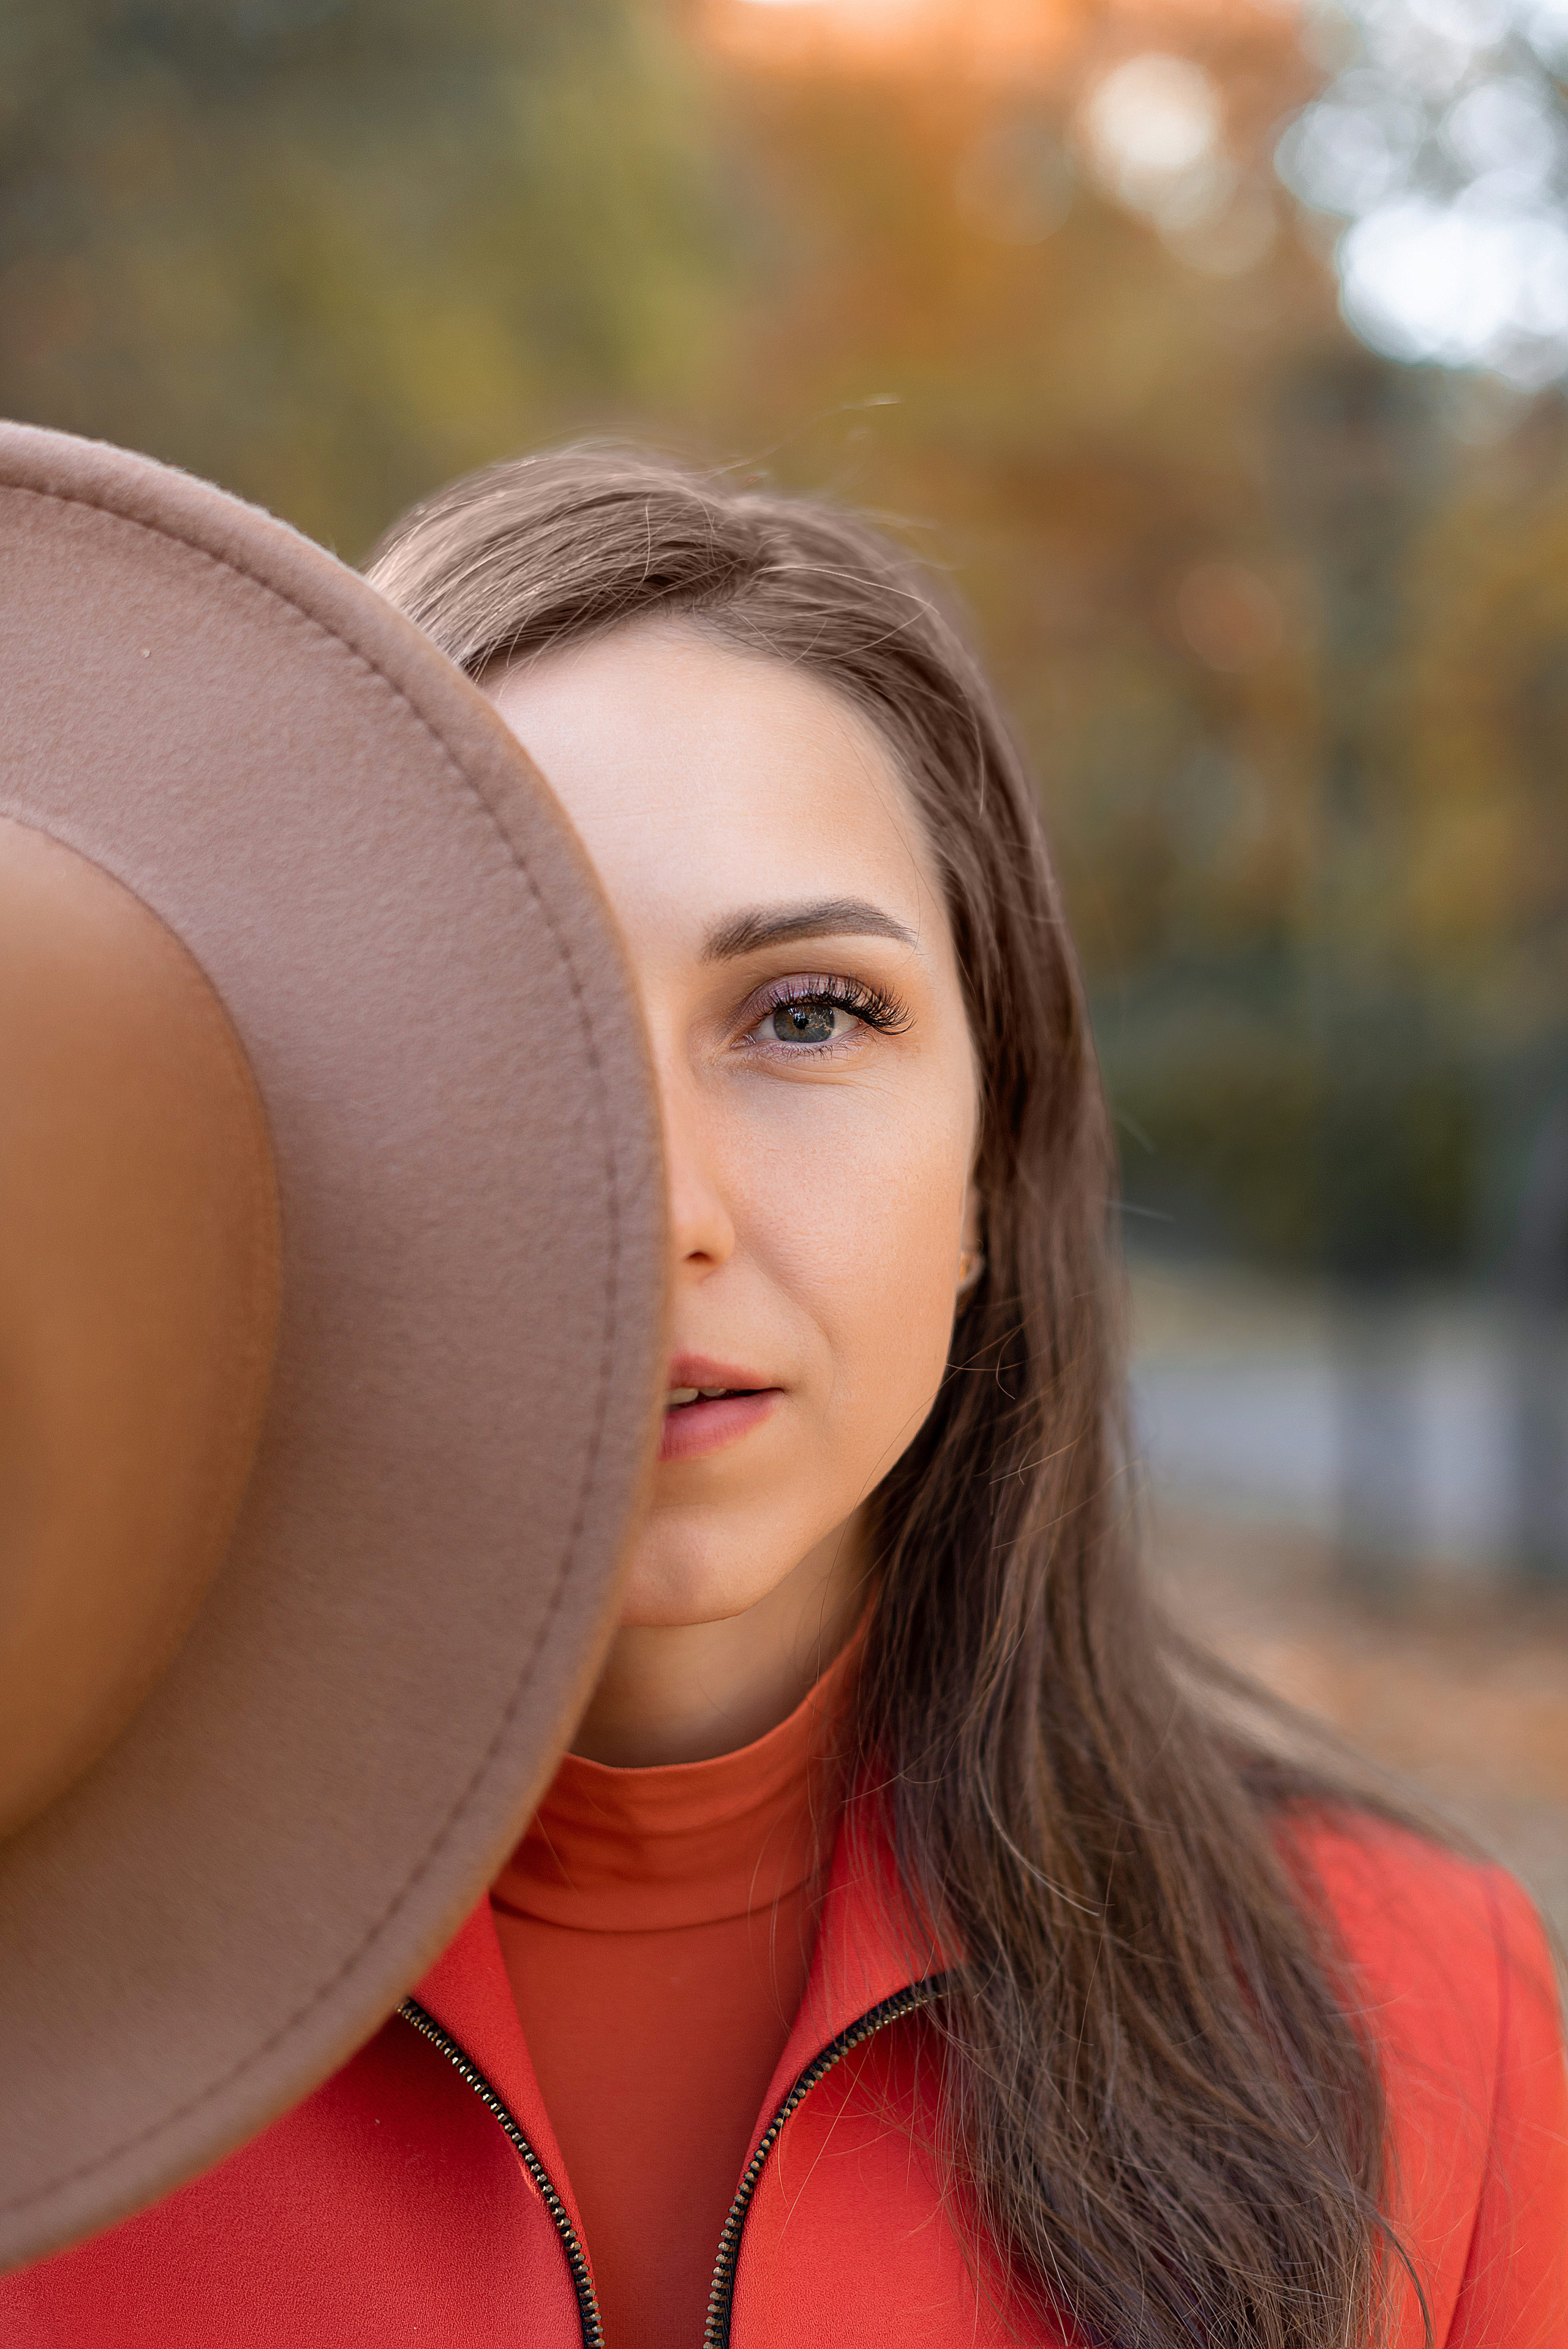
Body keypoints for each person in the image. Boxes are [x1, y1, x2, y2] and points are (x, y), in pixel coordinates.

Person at [9, 444, 1565, 2349]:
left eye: (808, 1013)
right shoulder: (40, 2044)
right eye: (518, 1012)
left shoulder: (1420, 2009)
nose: (664, 1206)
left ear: (997, 1166)